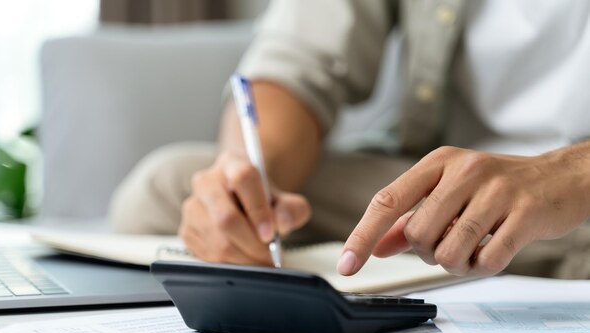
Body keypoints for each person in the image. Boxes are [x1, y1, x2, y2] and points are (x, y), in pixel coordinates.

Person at [109, 0, 590, 279]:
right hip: (442, 209)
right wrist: (249, 186)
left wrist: (563, 175)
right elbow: (297, 62)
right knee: (166, 189)